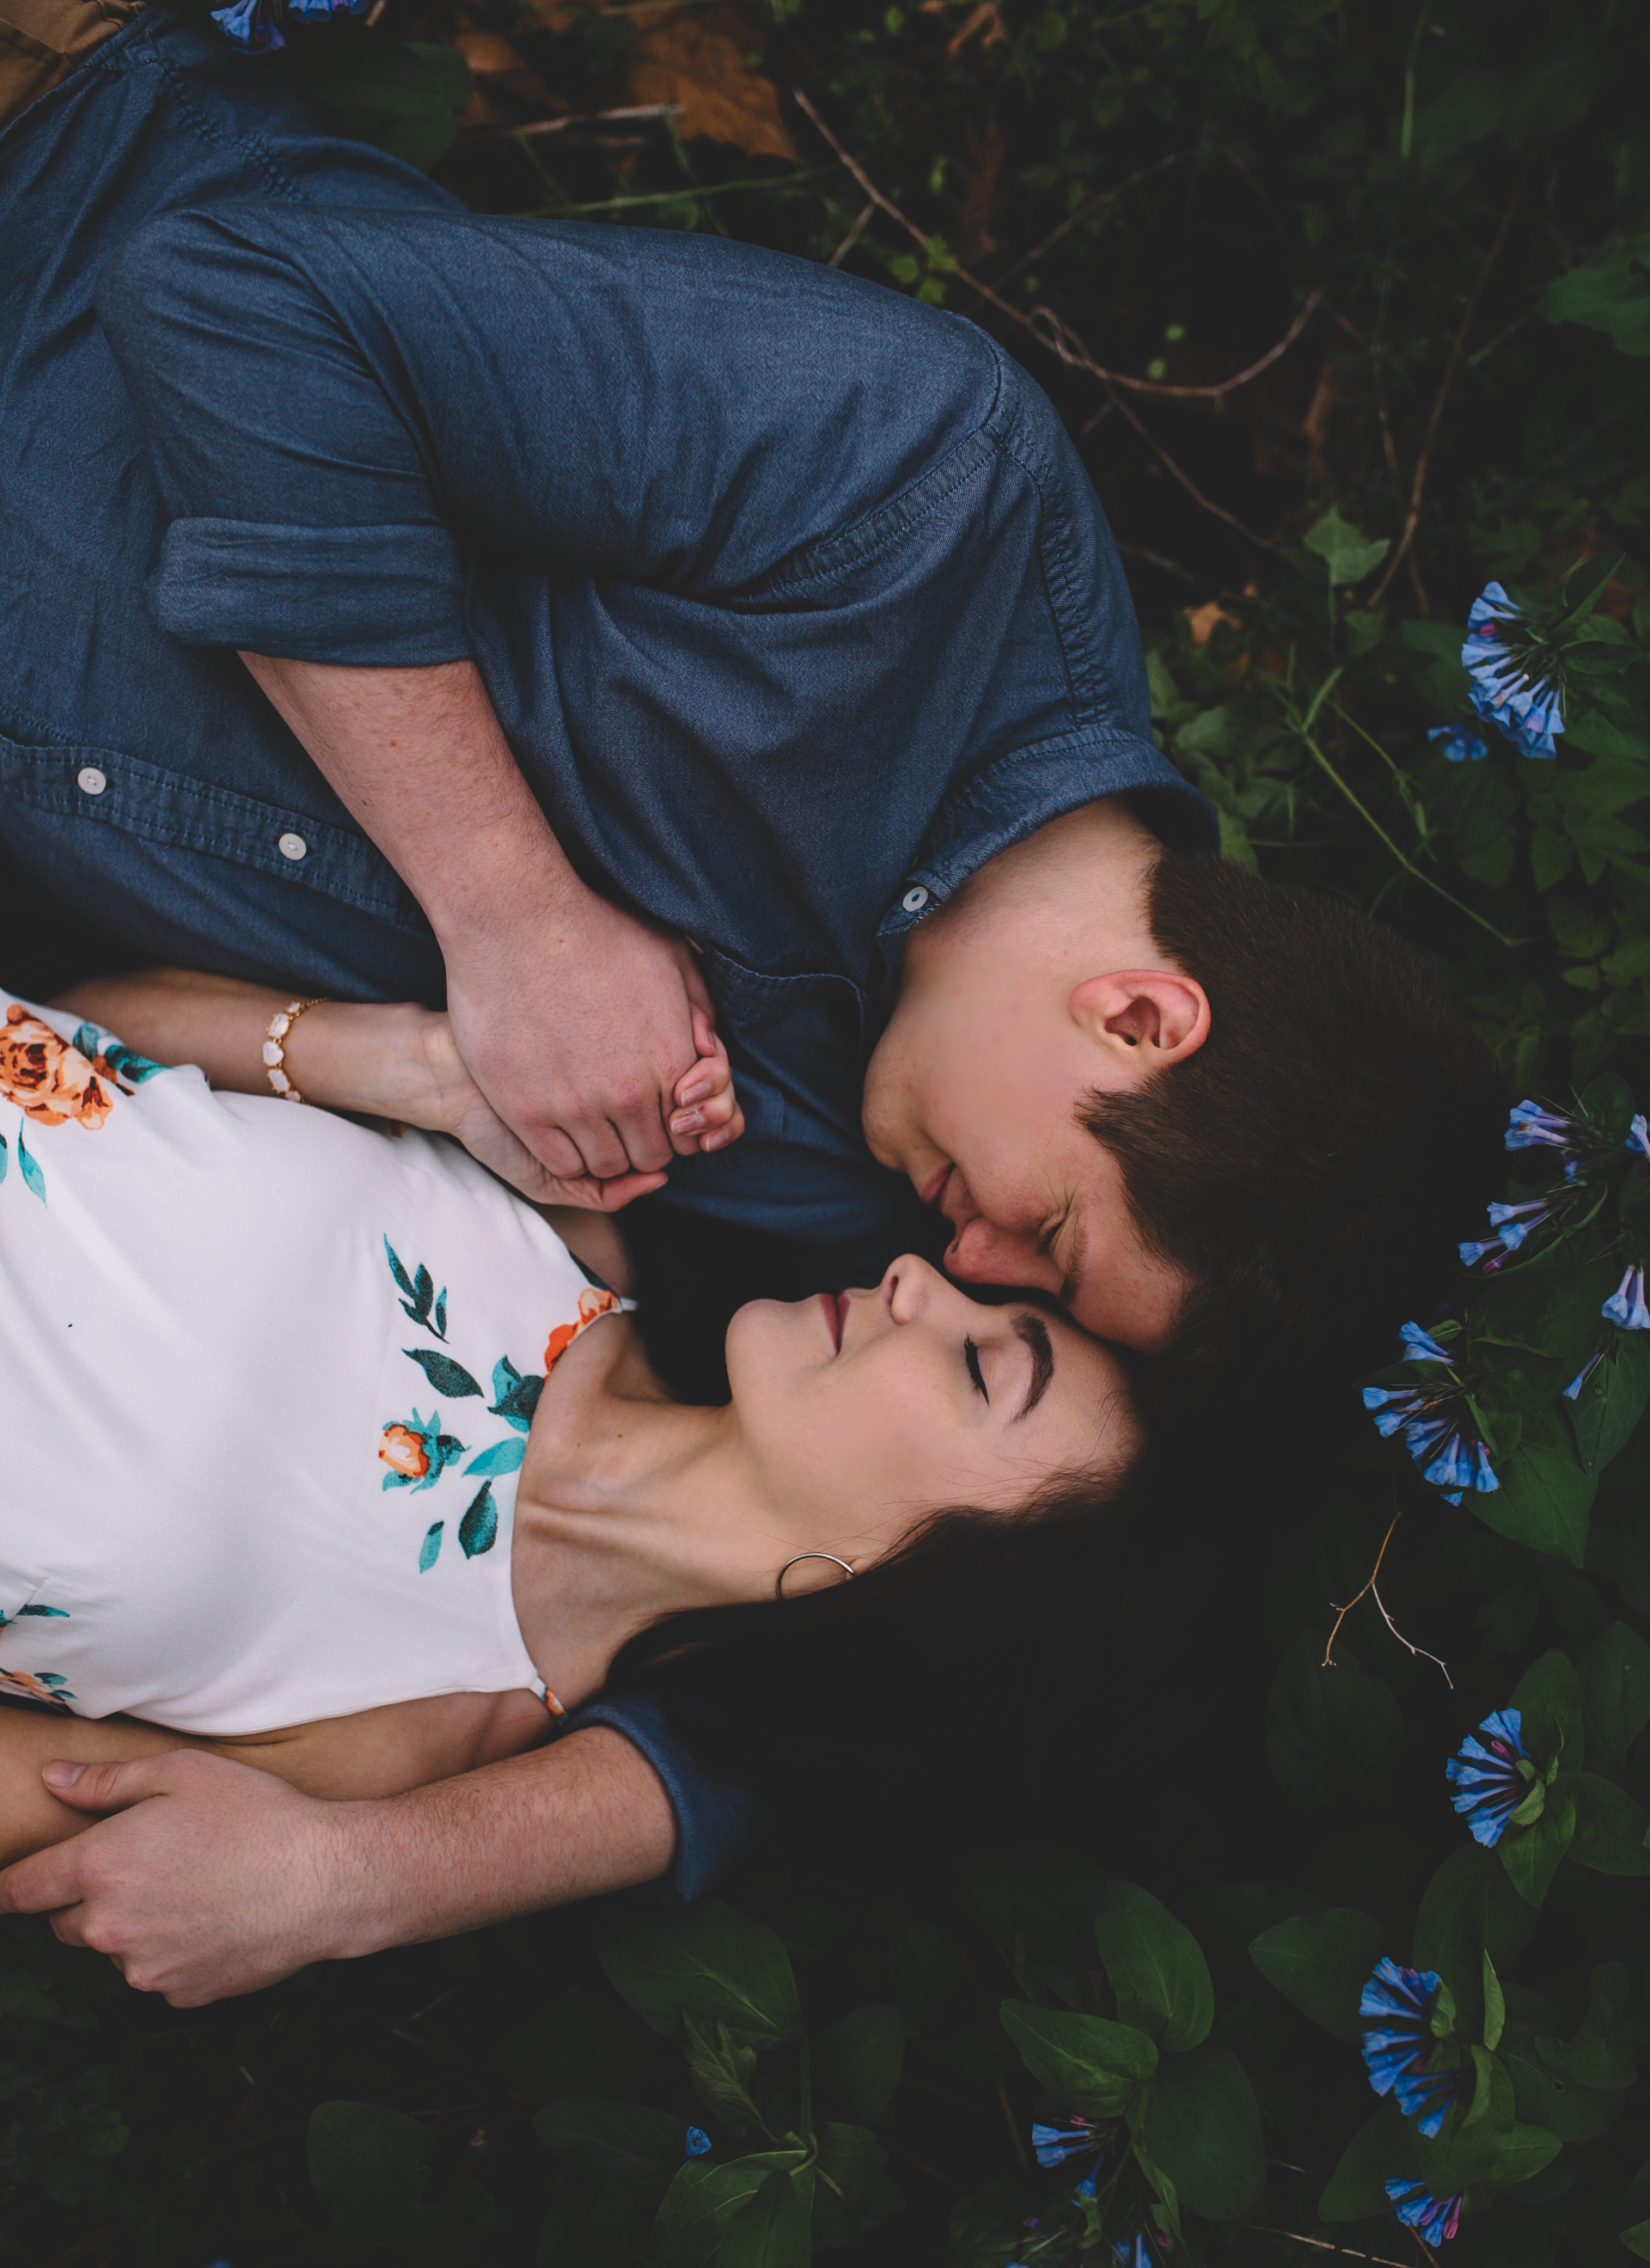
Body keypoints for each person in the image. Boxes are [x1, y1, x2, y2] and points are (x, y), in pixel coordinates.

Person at [0, 3, 1503, 1992]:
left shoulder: (816, 1215)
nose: (951, 1258)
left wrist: (369, 1873)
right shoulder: (916, 508)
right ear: (1143, 1023)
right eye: (1036, 1235)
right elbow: (230, 298)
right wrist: (511, 912)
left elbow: (907, 1678)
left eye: (1010, 1314)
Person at [0, 970, 1140, 1875]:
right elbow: (92, 1047)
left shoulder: (397, 1733)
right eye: (979, 1300)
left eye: (984, 1373)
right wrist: (424, 1068)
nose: (917, 1280)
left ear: (908, 1581)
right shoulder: (569, 1234)